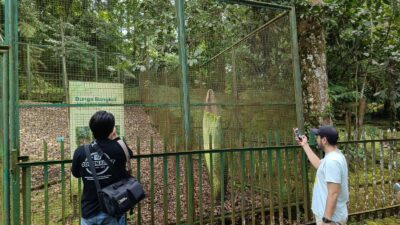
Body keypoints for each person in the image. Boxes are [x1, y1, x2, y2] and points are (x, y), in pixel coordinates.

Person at [72, 111, 133, 225]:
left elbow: (76, 174)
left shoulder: (81, 151)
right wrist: (115, 137)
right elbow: (129, 154)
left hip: (88, 211)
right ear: (112, 130)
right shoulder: (118, 149)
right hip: (113, 209)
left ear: (92, 129)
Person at [295, 125, 349, 225]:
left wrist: (326, 220)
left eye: (318, 136)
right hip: (330, 216)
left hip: (331, 219)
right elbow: (319, 165)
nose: (316, 139)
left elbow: (333, 194)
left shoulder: (332, 161)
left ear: (324, 140)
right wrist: (305, 145)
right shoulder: (333, 156)